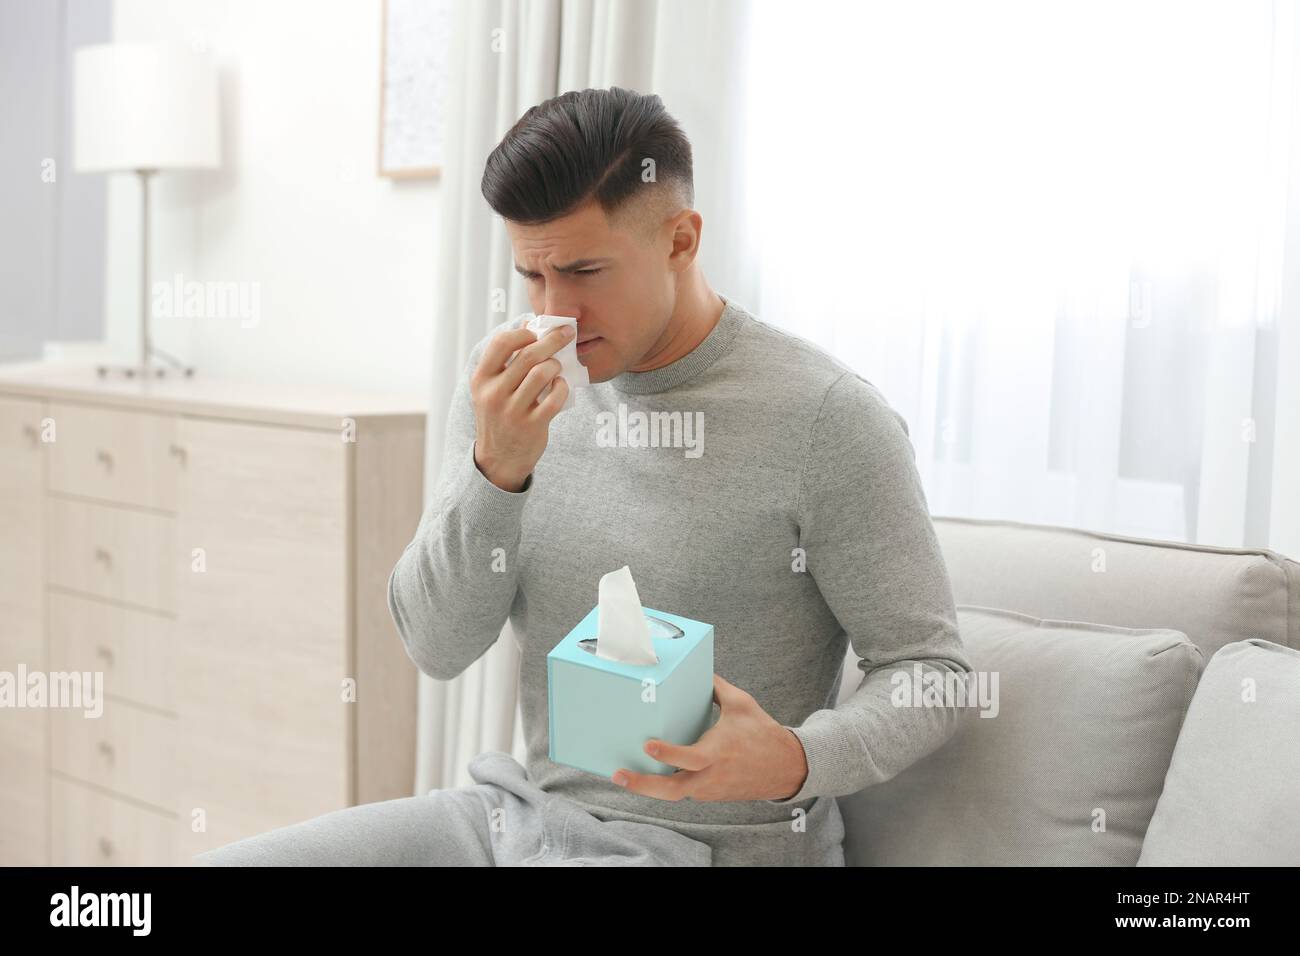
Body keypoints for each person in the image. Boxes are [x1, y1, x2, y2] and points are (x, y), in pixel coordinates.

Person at [196, 86, 973, 867]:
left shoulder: (826, 419)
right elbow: (436, 646)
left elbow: (932, 673)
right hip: (519, 823)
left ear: (681, 239)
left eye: (584, 271)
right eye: (532, 278)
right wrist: (495, 471)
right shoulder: (510, 387)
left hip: (711, 848)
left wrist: (795, 759)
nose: (554, 314)